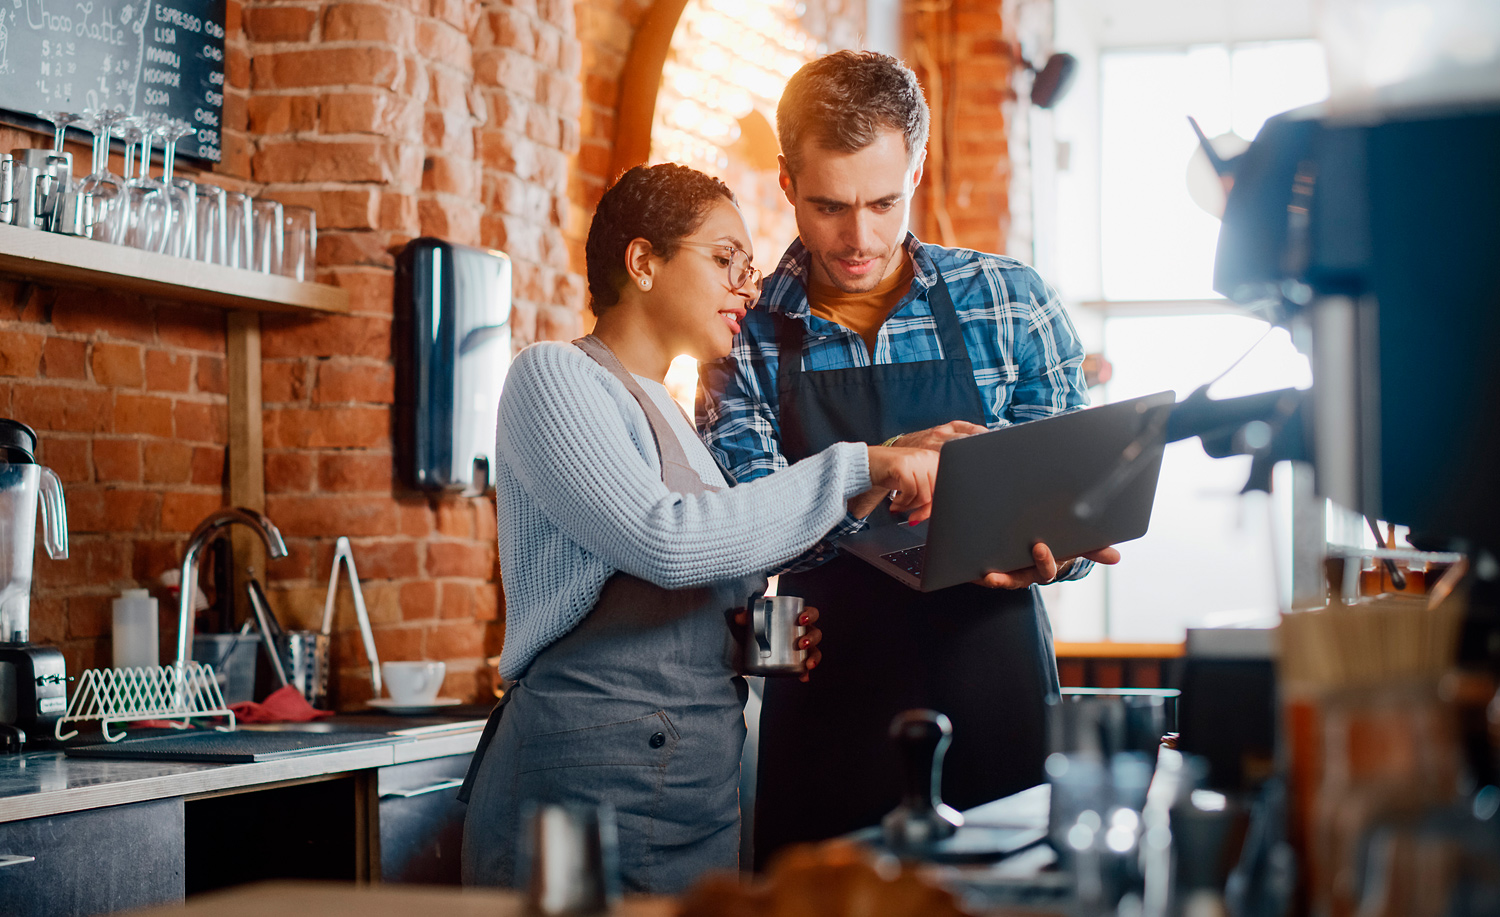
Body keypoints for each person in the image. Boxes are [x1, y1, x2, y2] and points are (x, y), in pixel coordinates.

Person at [459, 162, 941, 895]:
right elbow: (667, 540)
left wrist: (747, 641)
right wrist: (858, 466)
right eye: (726, 261)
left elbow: (682, 578)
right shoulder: (552, 376)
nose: (746, 287)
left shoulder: (677, 420)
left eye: (748, 268)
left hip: (694, 795)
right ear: (643, 261)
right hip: (585, 792)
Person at [697, 51, 1121, 867]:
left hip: (995, 679)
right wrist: (882, 467)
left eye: (884, 201)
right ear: (786, 181)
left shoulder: (1012, 301)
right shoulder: (739, 333)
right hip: (830, 695)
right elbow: (743, 528)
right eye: (829, 206)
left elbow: (1072, 508)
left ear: (917, 169)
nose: (859, 237)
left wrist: (1059, 551)